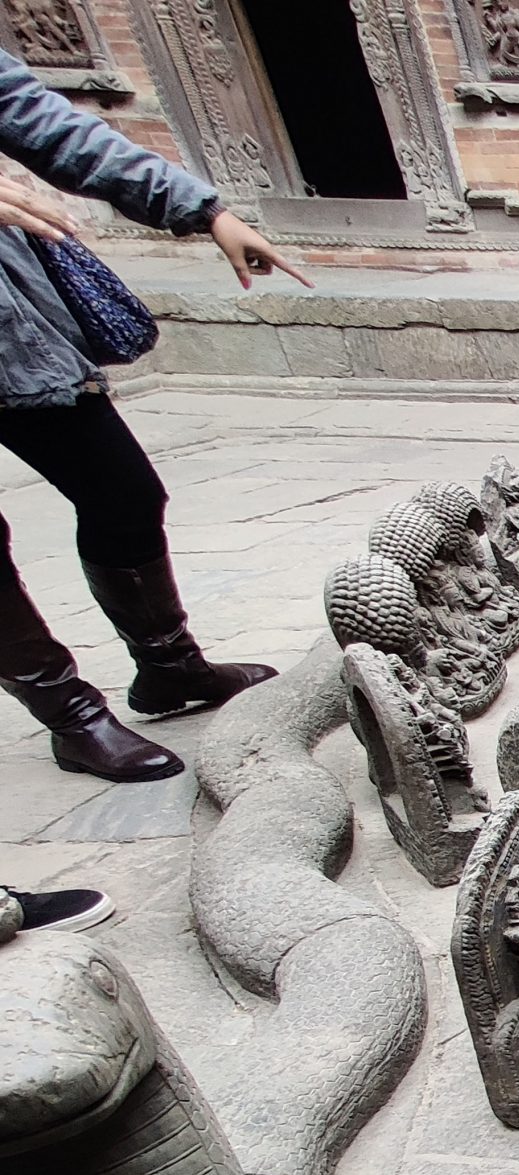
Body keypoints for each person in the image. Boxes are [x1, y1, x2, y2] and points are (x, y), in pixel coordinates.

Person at [0, 48, 309, 779]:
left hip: (13, 332)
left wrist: (202, 210)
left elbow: (50, 127)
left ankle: (169, 669)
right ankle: (72, 717)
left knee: (124, 492)